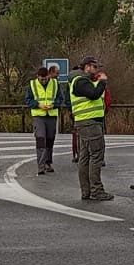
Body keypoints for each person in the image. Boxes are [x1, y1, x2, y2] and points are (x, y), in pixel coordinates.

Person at [70, 56, 112, 201]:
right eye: (95, 67)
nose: (97, 70)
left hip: (85, 123)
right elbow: (94, 95)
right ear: (87, 67)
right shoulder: (81, 81)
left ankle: (86, 191)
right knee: (95, 156)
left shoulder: (81, 81)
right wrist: (102, 82)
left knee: (85, 157)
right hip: (90, 124)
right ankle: (96, 190)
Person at [27, 66, 61, 174]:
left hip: (51, 115)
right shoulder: (32, 85)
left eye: (45, 79)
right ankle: (41, 166)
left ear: (48, 76)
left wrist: (54, 105)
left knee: (50, 140)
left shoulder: (55, 84)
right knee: (41, 139)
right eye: (41, 79)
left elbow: (60, 98)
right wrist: (37, 105)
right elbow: (28, 100)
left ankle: (48, 163)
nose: (44, 81)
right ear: (38, 77)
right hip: (39, 116)